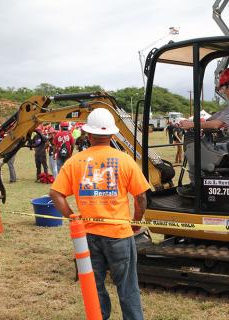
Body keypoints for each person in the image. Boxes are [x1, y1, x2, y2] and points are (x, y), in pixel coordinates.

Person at [50, 108, 150, 320]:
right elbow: (141, 198)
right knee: (128, 287)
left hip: (88, 237)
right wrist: (135, 222)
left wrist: (72, 217)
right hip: (120, 235)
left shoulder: (74, 162)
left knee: (94, 286)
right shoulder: (124, 160)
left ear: (88, 134)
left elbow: (56, 194)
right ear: (112, 135)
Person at [177, 67, 229, 197]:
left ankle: (196, 188)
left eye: (223, 89)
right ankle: (206, 181)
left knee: (194, 150)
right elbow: (218, 116)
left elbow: (216, 124)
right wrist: (200, 122)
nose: (224, 92)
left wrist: (192, 125)